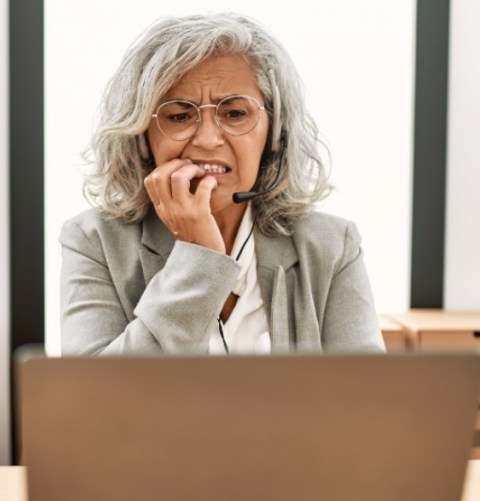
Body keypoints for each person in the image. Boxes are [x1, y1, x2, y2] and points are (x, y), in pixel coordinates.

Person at [60, 12, 385, 356]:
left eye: (234, 114)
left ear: (275, 134)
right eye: (180, 115)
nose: (208, 139)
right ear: (142, 137)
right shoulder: (93, 241)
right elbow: (93, 398)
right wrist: (199, 260)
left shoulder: (333, 246)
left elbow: (372, 399)